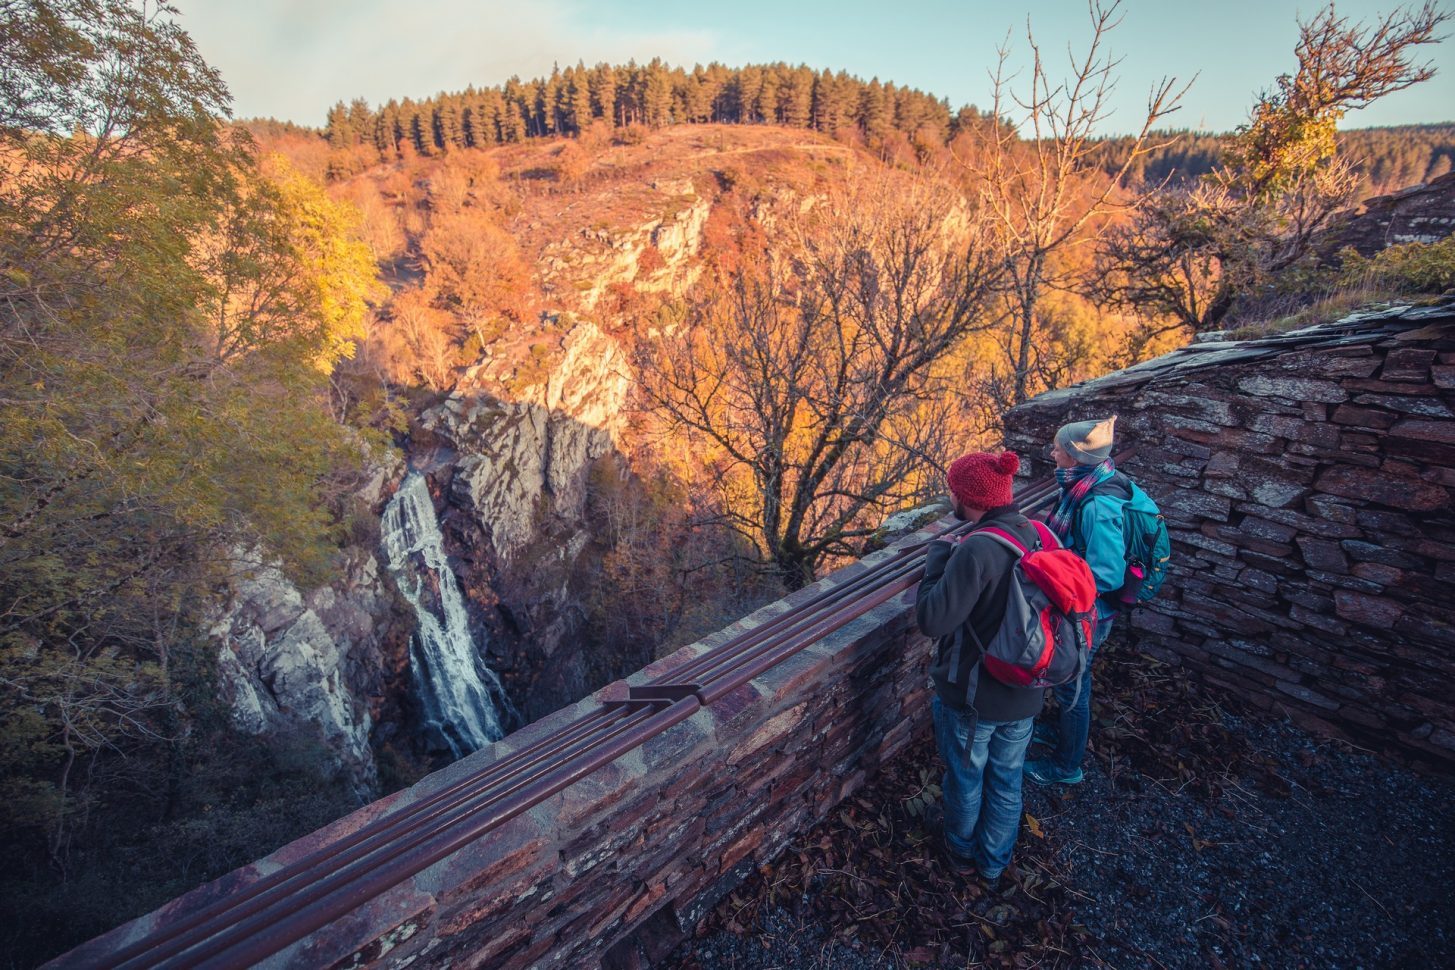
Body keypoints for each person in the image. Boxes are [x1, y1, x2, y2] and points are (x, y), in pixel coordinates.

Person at [916, 449, 1044, 888]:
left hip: (976, 696)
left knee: (967, 777)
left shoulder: (976, 550)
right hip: (1027, 688)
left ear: (966, 497)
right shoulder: (1034, 533)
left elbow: (932, 620)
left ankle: (960, 853)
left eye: (953, 491)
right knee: (1007, 779)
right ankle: (994, 863)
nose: (950, 497)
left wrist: (937, 560)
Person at [1024, 415, 1126, 787]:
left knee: (1073, 687)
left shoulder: (1096, 505)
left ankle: (1067, 766)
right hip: (1085, 607)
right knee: (1070, 683)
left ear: (1073, 456)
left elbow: (1107, 574)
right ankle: (1059, 735)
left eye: (1058, 447)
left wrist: (1059, 581)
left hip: (1089, 612)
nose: (1051, 451)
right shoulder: (1091, 481)